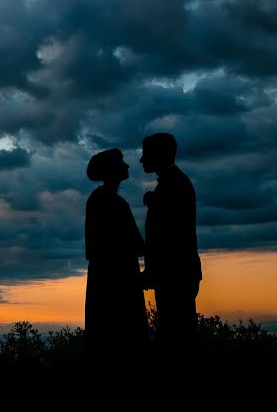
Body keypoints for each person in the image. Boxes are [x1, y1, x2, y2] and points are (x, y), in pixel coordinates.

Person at [84, 148, 148, 359]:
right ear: (112, 170)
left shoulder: (100, 199)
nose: (128, 166)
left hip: (107, 282)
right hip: (119, 283)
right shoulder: (112, 202)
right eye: (122, 162)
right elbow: (136, 244)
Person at [140, 133, 202, 352]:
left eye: (145, 154)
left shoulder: (174, 184)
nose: (141, 160)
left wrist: (155, 204)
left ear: (159, 155)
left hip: (175, 273)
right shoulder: (171, 184)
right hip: (175, 273)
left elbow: (170, 233)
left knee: (177, 338)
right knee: (175, 334)